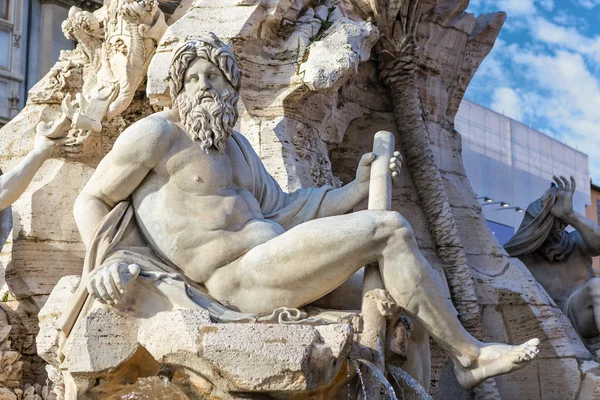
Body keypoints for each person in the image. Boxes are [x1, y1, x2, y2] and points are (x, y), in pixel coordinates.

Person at [73, 35, 539, 390]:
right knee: (390, 228)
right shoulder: (158, 135)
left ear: (231, 84)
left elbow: (288, 209)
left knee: (408, 323)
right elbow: (92, 198)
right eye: (192, 78)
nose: (202, 87)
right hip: (235, 282)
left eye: (212, 76)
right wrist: (107, 262)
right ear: (177, 89)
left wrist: (356, 189)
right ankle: (470, 357)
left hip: (275, 258)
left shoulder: (237, 149)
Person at [505, 176, 600, 350]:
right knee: (597, 286)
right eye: (550, 227)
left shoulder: (575, 242)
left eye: (560, 225)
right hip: (565, 326)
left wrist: (570, 215)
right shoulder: (524, 260)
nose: (558, 231)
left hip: (592, 319)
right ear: (535, 231)